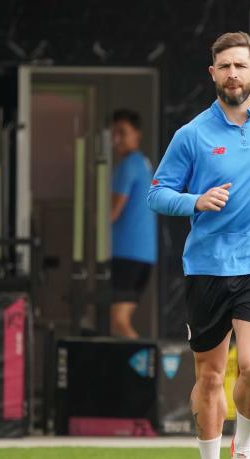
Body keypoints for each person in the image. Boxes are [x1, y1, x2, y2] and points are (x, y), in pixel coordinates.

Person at [147, 31, 250, 459]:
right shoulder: (191, 135)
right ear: (213, 73)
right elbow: (157, 193)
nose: (233, 74)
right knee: (210, 378)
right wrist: (196, 199)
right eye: (225, 66)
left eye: (240, 65)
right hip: (207, 267)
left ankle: (244, 448)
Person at [110, 109, 157, 338]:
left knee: (119, 321)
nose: (116, 138)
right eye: (114, 133)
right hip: (142, 257)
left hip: (127, 256)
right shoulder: (143, 164)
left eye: (122, 132)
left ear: (136, 135)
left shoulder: (129, 164)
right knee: (116, 321)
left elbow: (112, 212)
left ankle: (148, 368)